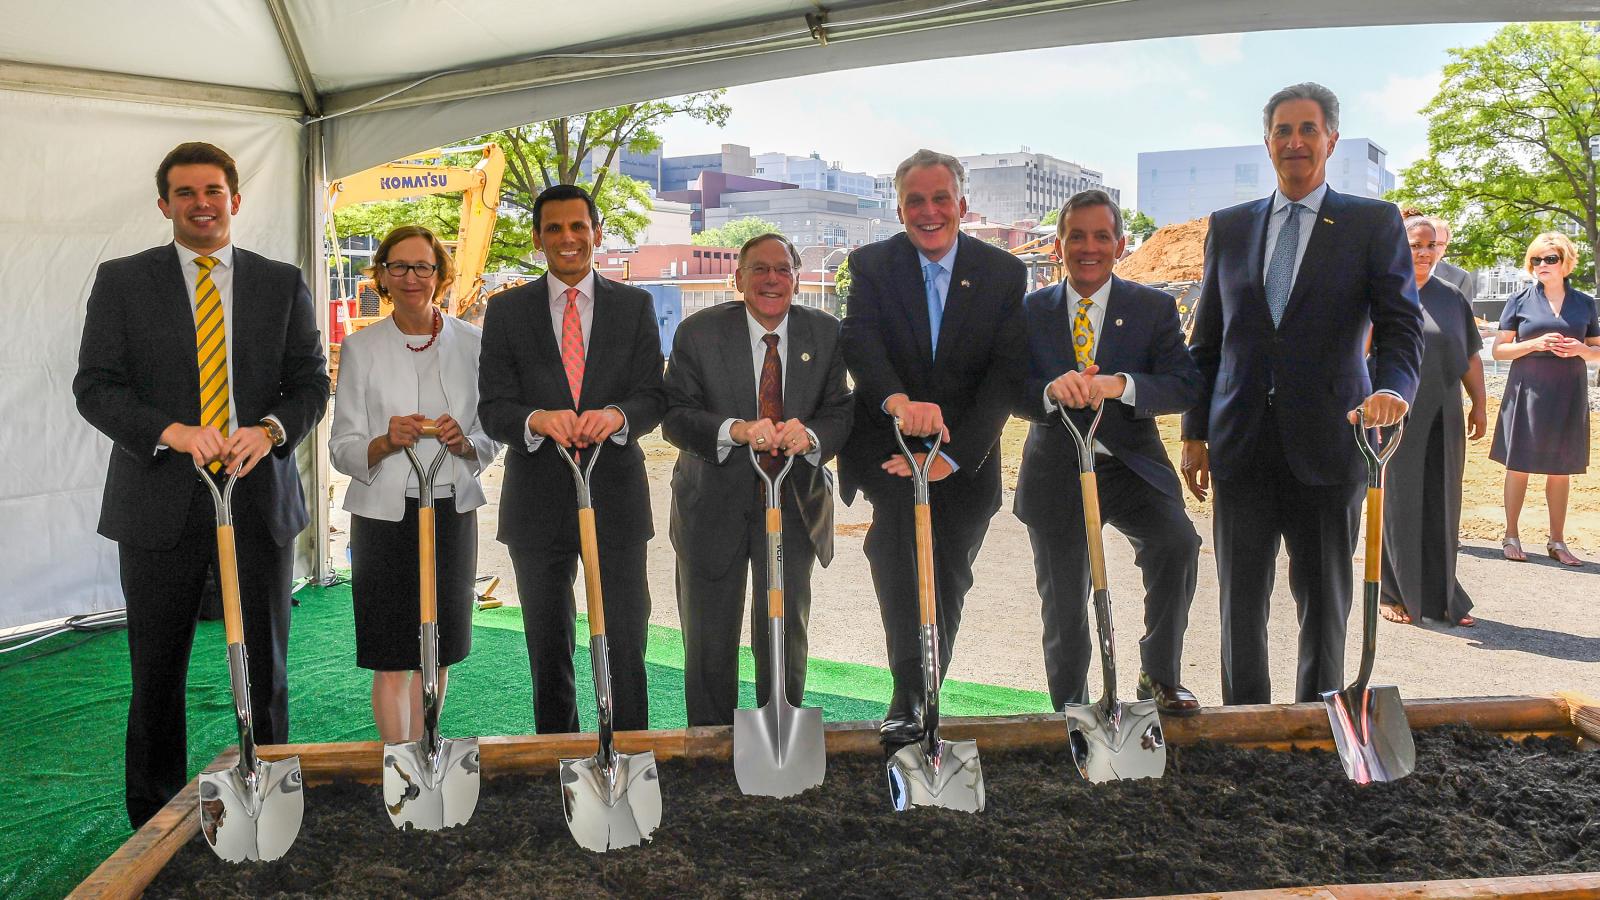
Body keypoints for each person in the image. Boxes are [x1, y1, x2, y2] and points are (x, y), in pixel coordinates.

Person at [74, 142, 329, 827]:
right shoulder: (123, 281)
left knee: (267, 669)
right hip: (157, 505)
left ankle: (267, 795)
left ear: (235, 200)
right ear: (165, 205)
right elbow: (95, 388)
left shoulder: (282, 281)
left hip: (258, 504)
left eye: (213, 190)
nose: (201, 203)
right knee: (157, 675)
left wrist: (271, 429)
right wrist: (173, 432)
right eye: (185, 193)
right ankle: (154, 821)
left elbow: (310, 383)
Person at [1180, 83, 1423, 705]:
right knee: (1239, 606)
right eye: (1282, 131)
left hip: (1331, 445)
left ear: (1331, 140)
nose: (1295, 142)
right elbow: (1208, 342)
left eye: (1307, 130)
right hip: (1241, 448)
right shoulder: (1230, 228)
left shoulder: (1372, 223)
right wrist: (1193, 432)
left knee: (1324, 606)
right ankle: (1245, 728)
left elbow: (1399, 327)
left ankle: (1317, 729)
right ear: (1267, 144)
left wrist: (1393, 388)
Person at [838, 149, 1027, 744]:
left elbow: (1004, 375)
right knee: (897, 567)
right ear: (899, 208)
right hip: (891, 454)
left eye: (940, 198)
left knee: (946, 576)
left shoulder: (1002, 273)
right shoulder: (871, 265)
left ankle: (925, 693)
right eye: (915, 200)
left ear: (962, 204)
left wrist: (952, 455)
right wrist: (897, 402)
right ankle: (910, 698)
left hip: (965, 462)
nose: (928, 211)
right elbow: (860, 343)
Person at [477, 184, 666, 733]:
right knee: (548, 645)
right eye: (554, 228)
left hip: (616, 502)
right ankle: (556, 757)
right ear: (538, 239)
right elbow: (493, 408)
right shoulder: (507, 311)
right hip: (536, 505)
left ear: (597, 233)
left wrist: (616, 417)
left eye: (578, 226)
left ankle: (629, 751)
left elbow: (653, 396)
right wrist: (535, 420)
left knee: (627, 639)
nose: (567, 238)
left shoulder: (635, 307)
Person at [1014, 191, 1204, 714]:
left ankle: (1158, 675)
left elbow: (1184, 385)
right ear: (1059, 246)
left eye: (1102, 236)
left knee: (1176, 544)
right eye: (1077, 236)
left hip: (1131, 466)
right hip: (1058, 471)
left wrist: (1122, 384)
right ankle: (1071, 706)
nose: (1089, 247)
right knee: (1065, 600)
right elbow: (1008, 388)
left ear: (1121, 244)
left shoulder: (1152, 307)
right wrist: (1050, 392)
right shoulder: (1030, 311)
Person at [662, 233, 853, 726]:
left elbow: (840, 412)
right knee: (708, 638)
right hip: (711, 505)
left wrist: (809, 436)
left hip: (792, 506)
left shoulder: (825, 333)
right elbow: (676, 417)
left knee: (785, 632)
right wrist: (736, 430)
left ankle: (779, 734)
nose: (772, 279)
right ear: (739, 278)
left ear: (796, 277)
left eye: (783, 269)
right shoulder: (698, 333)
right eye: (759, 269)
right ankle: (709, 744)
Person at [330, 225, 500, 742]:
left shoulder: (474, 344)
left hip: (450, 510)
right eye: (398, 267)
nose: (411, 277)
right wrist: (385, 441)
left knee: (440, 648)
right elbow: (342, 447)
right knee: (391, 654)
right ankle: (398, 761)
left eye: (423, 266)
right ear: (381, 275)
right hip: (385, 518)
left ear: (440, 275)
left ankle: (429, 748)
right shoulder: (361, 347)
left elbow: (493, 431)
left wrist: (466, 442)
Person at [1376, 216, 1485, 628]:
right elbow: (1360, 349)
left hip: (1445, 410)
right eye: (1416, 245)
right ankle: (1393, 592)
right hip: (1395, 410)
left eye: (1431, 246)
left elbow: (1471, 355)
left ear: (1441, 249)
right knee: (1399, 502)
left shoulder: (1453, 296)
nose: (1424, 252)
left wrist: (1479, 402)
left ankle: (1444, 596)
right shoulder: (1384, 291)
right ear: (1401, 245)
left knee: (1443, 500)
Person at [1490, 232, 1600, 567]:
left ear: (1566, 262)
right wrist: (1533, 345)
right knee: (1518, 464)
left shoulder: (1585, 303)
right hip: (1528, 389)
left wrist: (1580, 349)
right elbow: (1498, 349)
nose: (1541, 265)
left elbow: (1597, 351)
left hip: (1568, 391)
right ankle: (1511, 535)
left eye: (1549, 259)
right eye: (1536, 259)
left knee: (1561, 469)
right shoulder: (1520, 300)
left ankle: (1557, 540)